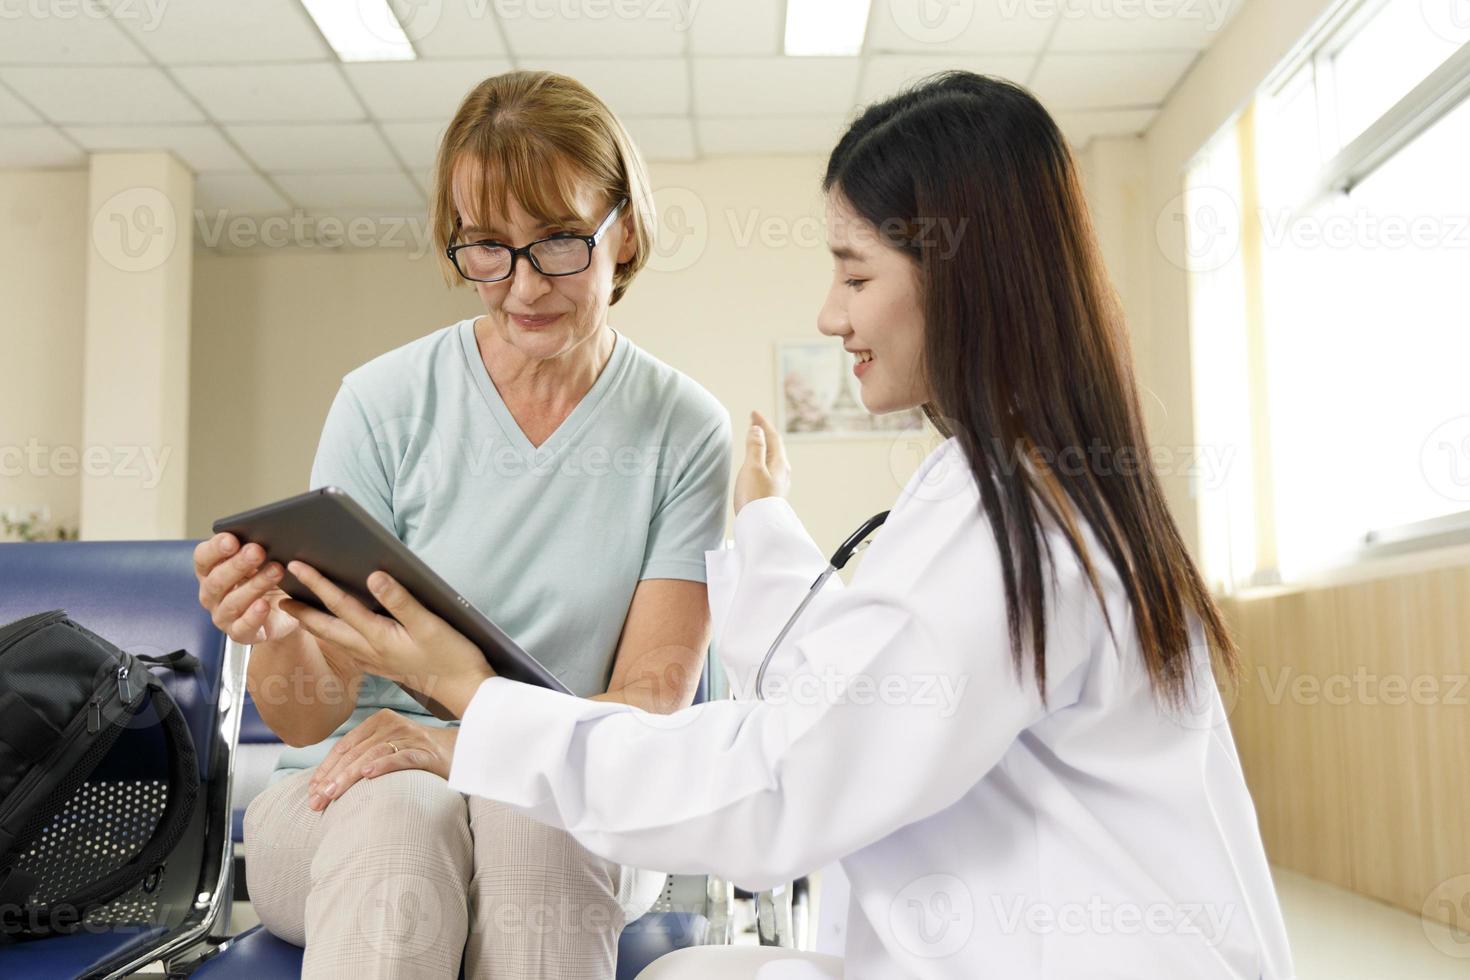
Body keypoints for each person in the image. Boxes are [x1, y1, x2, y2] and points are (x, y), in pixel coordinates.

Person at [280, 73, 1294, 978]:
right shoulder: (1002, 492)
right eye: (486, 249)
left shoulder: (1015, 528)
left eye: (855, 274)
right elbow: (851, 688)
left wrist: (466, 696)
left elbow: (781, 781)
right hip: (1015, 935)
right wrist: (764, 526)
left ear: (963, 277)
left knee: (579, 872)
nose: (828, 314)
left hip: (1061, 946)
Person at [192, 70, 731, 979]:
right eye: (486, 247)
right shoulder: (384, 403)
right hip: (349, 794)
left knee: (531, 811)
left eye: (558, 242)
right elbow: (305, 718)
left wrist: (461, 744)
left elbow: (648, 706)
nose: (521, 287)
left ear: (625, 228)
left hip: (571, 792)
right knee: (406, 819)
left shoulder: (684, 431)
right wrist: (276, 630)